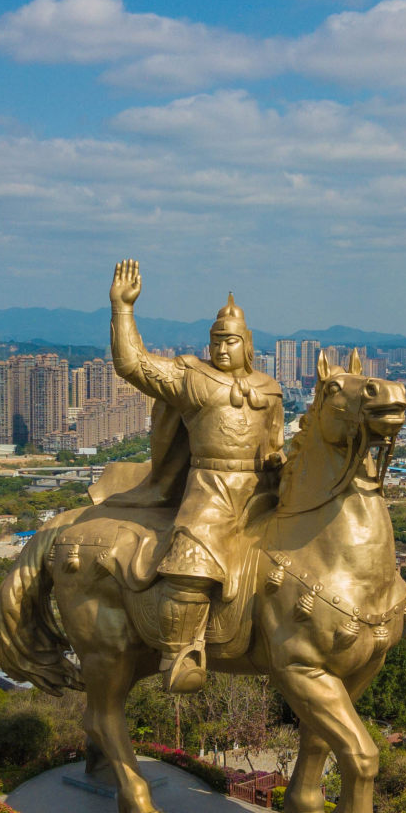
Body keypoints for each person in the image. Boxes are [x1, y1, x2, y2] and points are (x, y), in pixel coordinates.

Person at [106, 259, 285, 693]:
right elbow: (134, 365)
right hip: (211, 491)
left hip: (264, 490)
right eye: (216, 341)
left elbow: (276, 443)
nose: (222, 349)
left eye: (231, 342)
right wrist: (122, 309)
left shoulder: (269, 389)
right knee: (192, 562)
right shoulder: (192, 377)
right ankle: (179, 653)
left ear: (248, 344)